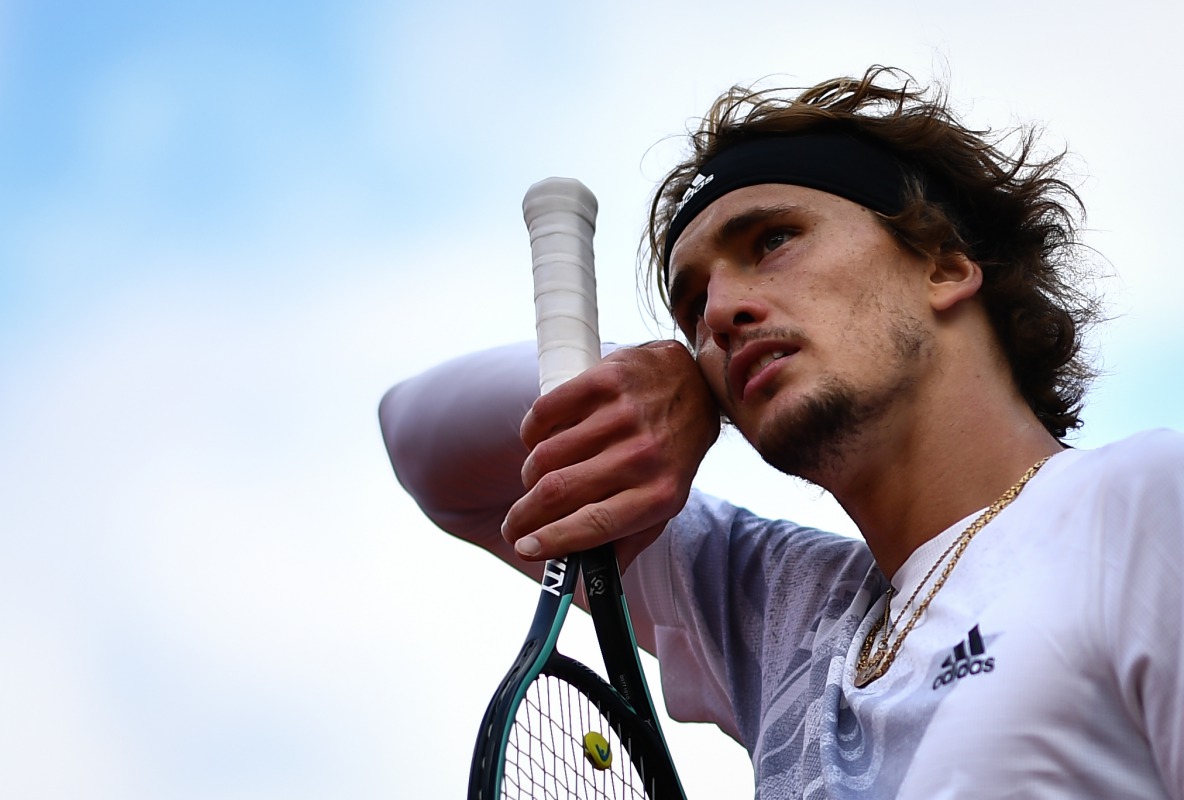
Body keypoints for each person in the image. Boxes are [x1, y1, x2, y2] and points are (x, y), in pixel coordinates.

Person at [380, 67, 1184, 798]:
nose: (722, 314)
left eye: (773, 241)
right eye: (692, 307)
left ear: (943, 263)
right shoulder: (787, 613)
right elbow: (421, 442)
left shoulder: (1144, 504)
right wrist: (655, 374)